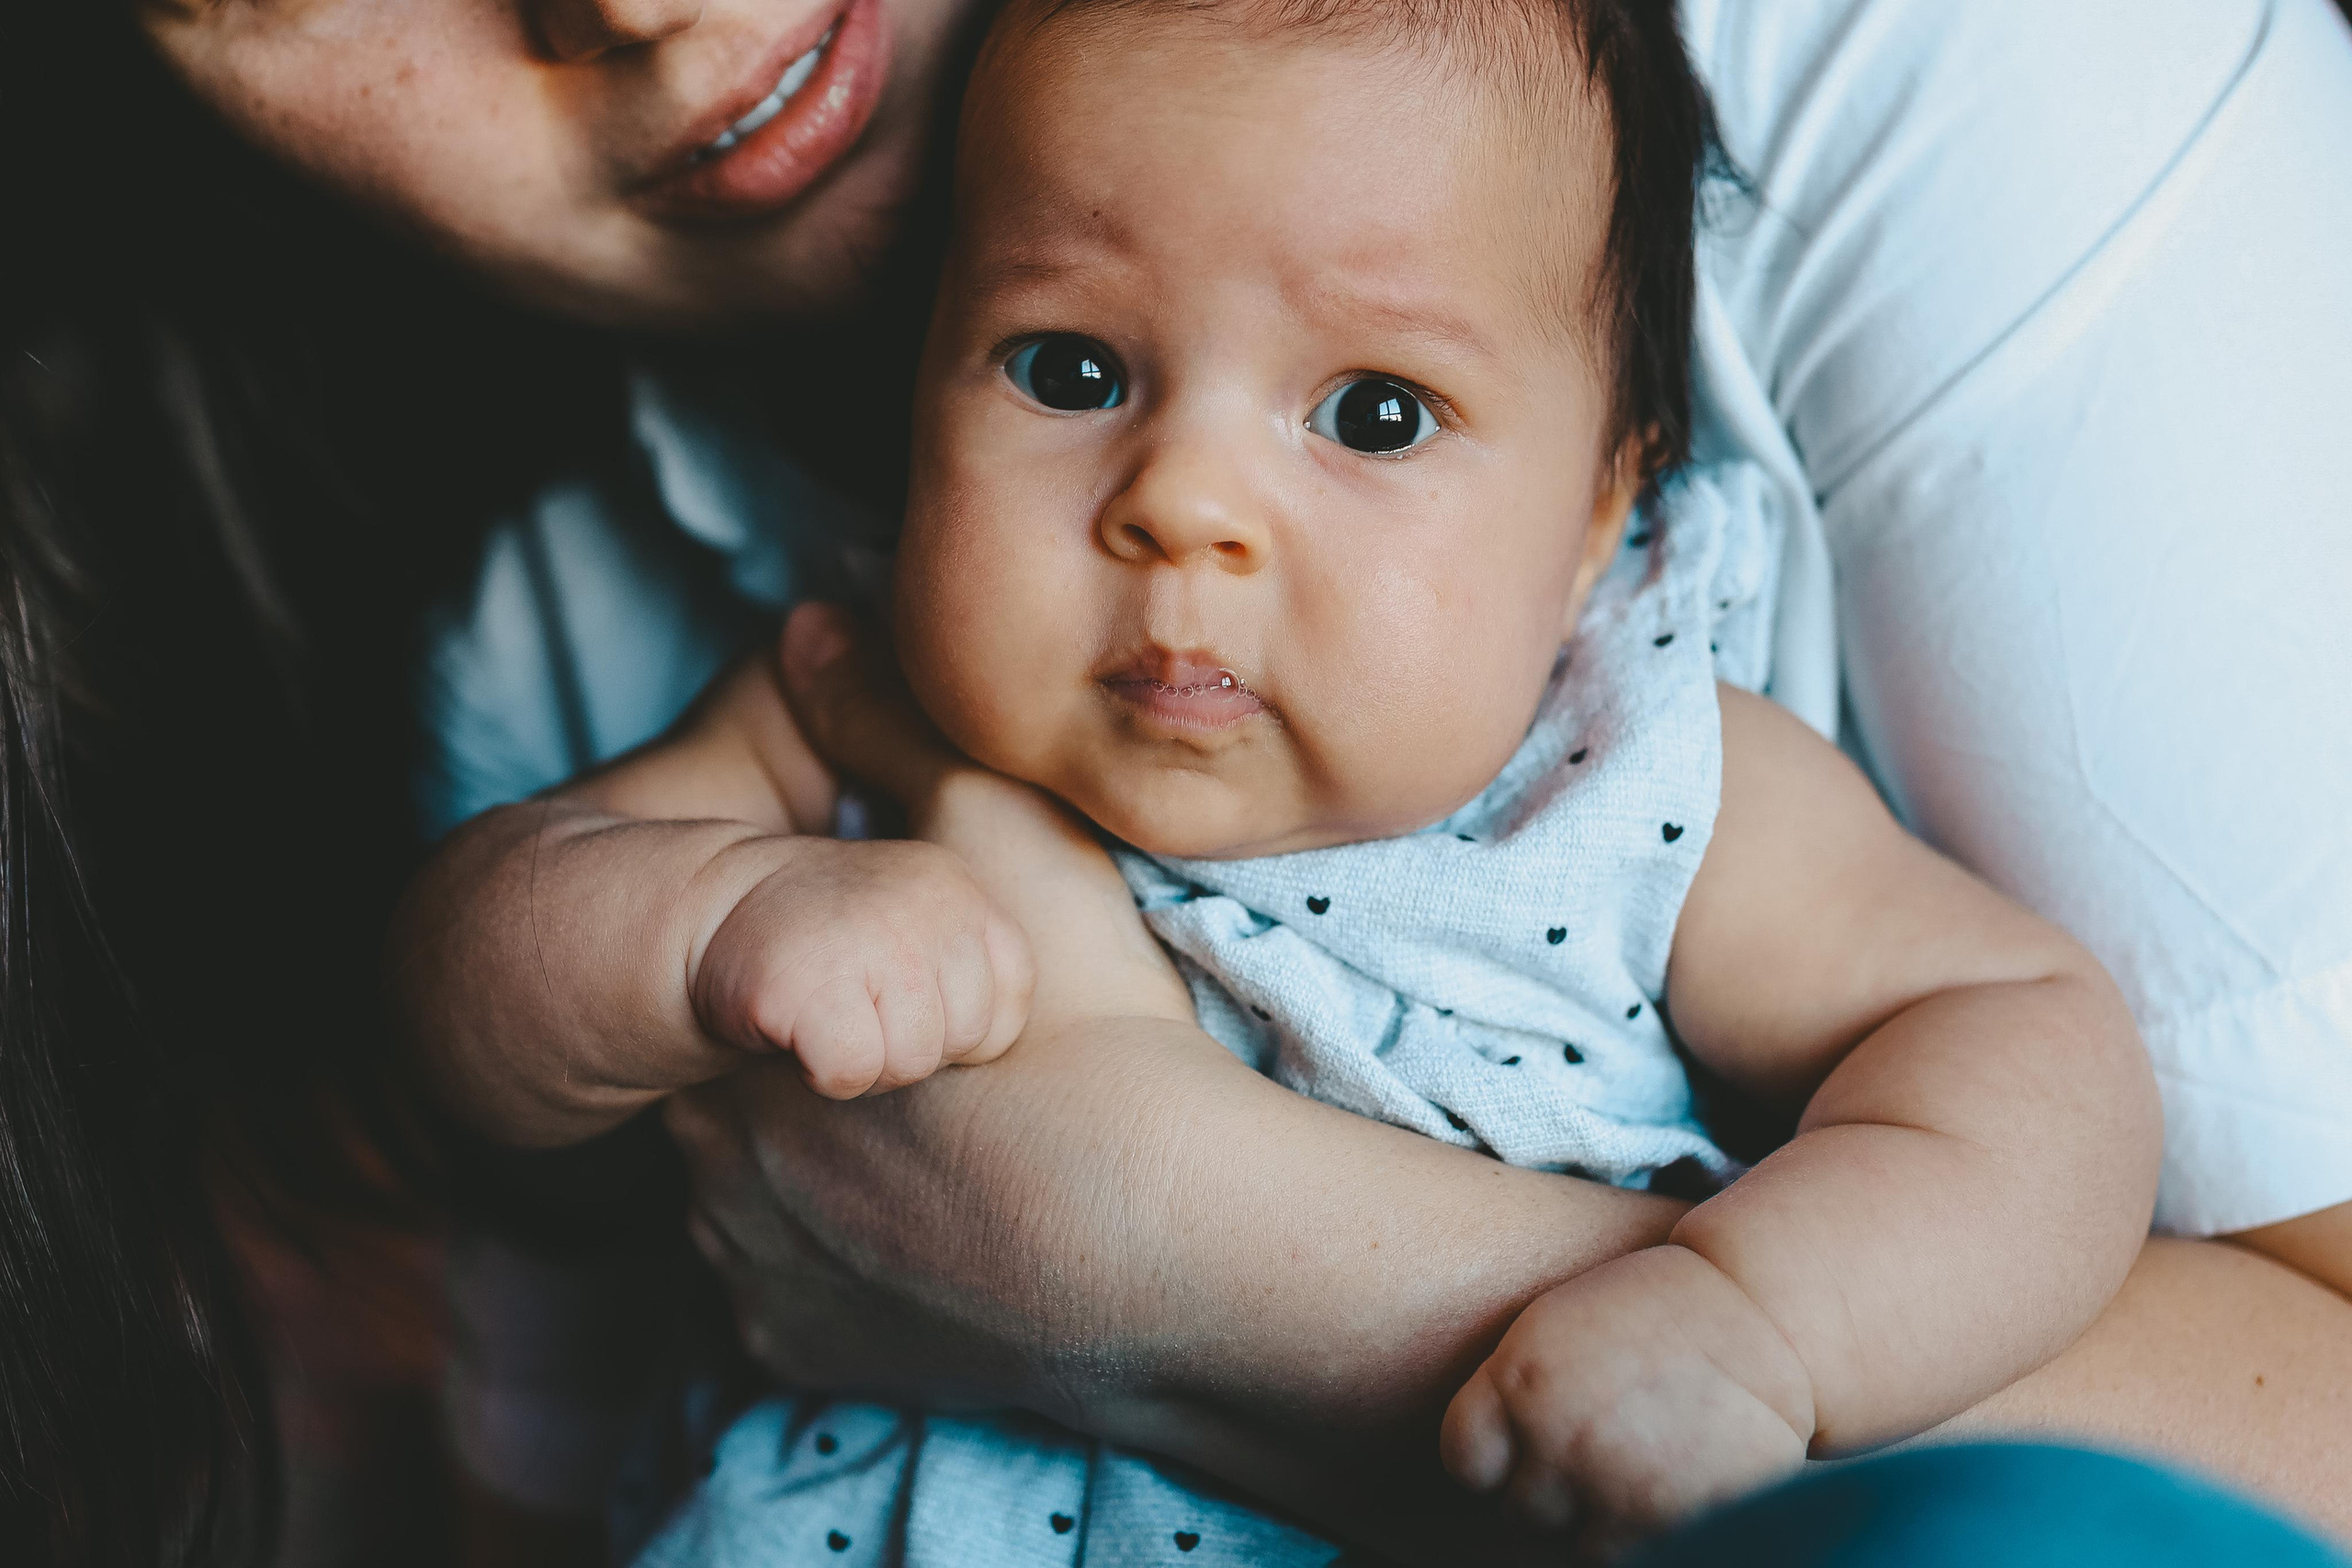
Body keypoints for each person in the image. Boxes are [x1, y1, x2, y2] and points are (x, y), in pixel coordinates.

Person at [1, 0, 2345, 1562]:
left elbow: (2017, 1048)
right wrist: (700, 929)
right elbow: (468, 1014)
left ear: (1611, 505)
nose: (1184, 507)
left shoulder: (1627, 767)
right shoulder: (836, 685)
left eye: (1376, 416)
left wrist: (1759, 1321)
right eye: (1062, 364)